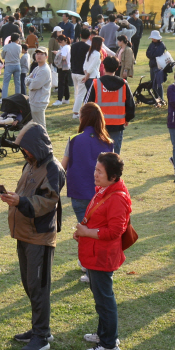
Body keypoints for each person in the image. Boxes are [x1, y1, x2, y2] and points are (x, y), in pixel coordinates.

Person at [0, 123, 65, 350]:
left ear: (36, 146)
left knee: (38, 287)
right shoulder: (31, 164)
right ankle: (39, 328)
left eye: (26, 148)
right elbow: (26, 193)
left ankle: (42, 335)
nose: (23, 152)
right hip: (24, 234)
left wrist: (20, 202)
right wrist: (13, 198)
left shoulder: (53, 168)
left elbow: (48, 201)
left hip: (40, 236)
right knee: (30, 284)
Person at [74, 153, 130, 350]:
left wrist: (86, 232)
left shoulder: (117, 198)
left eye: (100, 171)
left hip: (103, 256)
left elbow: (116, 231)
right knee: (101, 299)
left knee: (105, 301)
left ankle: (109, 346)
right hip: (96, 253)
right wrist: (84, 230)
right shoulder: (105, 190)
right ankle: (103, 334)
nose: (95, 174)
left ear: (113, 176)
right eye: (95, 169)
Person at [61, 103, 114, 282]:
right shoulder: (108, 142)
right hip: (101, 194)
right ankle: (89, 264)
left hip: (79, 191)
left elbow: (63, 167)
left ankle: (90, 268)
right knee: (97, 230)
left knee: (85, 230)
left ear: (83, 118)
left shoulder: (74, 139)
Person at [84, 57, 136, 155]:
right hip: (118, 124)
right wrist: (127, 119)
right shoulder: (124, 84)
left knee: (98, 153)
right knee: (114, 154)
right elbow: (131, 105)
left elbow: (87, 105)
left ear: (103, 67)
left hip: (99, 124)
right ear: (117, 68)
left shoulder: (96, 83)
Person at [26, 48, 52, 129]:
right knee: (35, 125)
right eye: (37, 54)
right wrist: (31, 80)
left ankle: (45, 141)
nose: (39, 56)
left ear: (46, 56)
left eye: (41, 54)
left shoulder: (44, 70)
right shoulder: (37, 68)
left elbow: (34, 86)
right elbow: (26, 80)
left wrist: (30, 81)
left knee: (40, 126)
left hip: (39, 101)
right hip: (34, 100)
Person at [71, 29, 92, 119]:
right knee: (81, 93)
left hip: (73, 71)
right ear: (89, 37)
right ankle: (76, 112)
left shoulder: (73, 45)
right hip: (82, 72)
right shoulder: (88, 48)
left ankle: (77, 109)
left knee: (77, 92)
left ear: (80, 35)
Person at [145, 30, 167, 103]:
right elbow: (148, 53)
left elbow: (158, 54)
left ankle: (161, 99)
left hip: (158, 66)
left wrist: (152, 54)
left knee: (158, 83)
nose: (153, 39)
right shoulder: (151, 44)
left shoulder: (161, 45)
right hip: (152, 65)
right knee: (153, 83)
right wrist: (152, 55)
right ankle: (156, 99)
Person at [1, 33, 22, 98]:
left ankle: (4, 98)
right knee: (17, 83)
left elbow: (3, 56)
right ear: (17, 39)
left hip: (8, 65)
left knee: (6, 83)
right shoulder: (19, 46)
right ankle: (18, 97)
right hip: (17, 65)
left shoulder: (6, 46)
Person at [54, 35, 71, 106]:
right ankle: (66, 98)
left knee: (61, 83)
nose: (59, 43)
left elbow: (63, 57)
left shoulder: (65, 47)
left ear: (63, 41)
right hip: (67, 67)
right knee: (65, 83)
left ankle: (59, 99)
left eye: (60, 42)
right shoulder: (68, 46)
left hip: (62, 67)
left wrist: (57, 54)